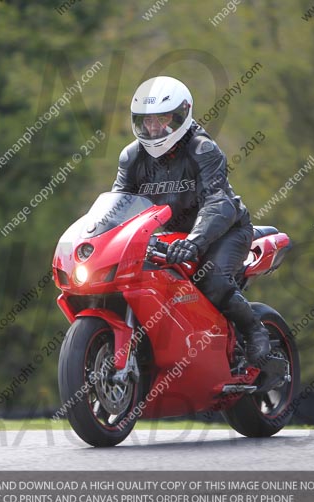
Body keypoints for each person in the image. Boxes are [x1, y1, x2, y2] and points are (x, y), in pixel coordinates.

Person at [112, 75, 272, 367]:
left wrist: (194, 242)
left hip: (226, 230)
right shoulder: (132, 157)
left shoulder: (202, 150)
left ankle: (254, 330)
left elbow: (217, 202)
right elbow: (117, 205)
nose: (153, 128)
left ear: (181, 115)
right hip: (174, 237)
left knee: (211, 281)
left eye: (161, 120)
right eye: (145, 121)